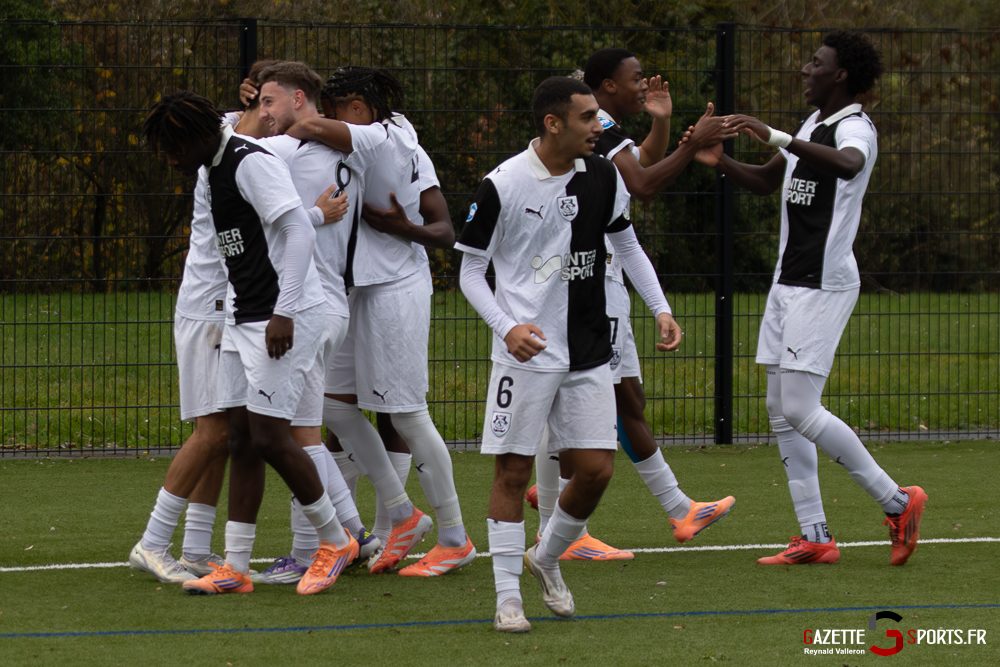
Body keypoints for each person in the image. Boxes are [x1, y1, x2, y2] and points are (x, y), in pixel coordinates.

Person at [693, 30, 926, 566]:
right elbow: (767, 182)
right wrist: (721, 162)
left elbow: (846, 165)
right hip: (787, 282)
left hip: (823, 284)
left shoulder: (855, 129)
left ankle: (898, 502)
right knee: (780, 409)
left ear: (840, 74)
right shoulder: (812, 125)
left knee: (799, 407)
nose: (805, 68)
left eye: (815, 62)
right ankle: (815, 536)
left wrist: (772, 133)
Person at [457, 76, 678, 633]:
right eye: (587, 117)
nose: (599, 126)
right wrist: (506, 328)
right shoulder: (502, 184)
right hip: (525, 355)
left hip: (588, 347)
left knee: (597, 470)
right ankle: (508, 598)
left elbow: (626, 244)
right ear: (553, 123)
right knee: (512, 472)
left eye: (599, 116)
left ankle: (547, 556)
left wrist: (661, 308)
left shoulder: (603, 174)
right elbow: (469, 273)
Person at [128, 60, 345, 584]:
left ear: (198, 136)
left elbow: (298, 231)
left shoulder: (250, 161)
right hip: (241, 316)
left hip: (279, 317)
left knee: (272, 438)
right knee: (242, 437)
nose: (170, 161)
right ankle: (236, 566)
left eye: (172, 150)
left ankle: (336, 540)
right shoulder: (214, 165)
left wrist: (284, 312)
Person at [527, 51, 738, 559]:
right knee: (612, 405)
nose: (644, 83)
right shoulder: (597, 130)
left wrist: (665, 126)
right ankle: (647, 512)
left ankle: (563, 507)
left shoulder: (599, 137)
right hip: (589, 294)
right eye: (635, 78)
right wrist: (692, 144)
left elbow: (636, 175)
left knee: (606, 404)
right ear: (607, 87)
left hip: (587, 288)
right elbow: (643, 183)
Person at [284, 67, 474, 576]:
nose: (328, 115)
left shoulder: (380, 137)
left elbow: (443, 227)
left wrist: (400, 226)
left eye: (336, 106)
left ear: (362, 108)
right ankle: (401, 514)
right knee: (334, 407)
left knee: (407, 414)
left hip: (395, 289)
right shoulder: (397, 134)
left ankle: (454, 535)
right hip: (355, 290)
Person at [234, 61, 386, 584]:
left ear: (299, 100)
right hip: (328, 304)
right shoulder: (350, 147)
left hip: (302, 308)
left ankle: (311, 550)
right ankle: (359, 532)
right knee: (305, 434)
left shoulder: (286, 152)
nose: (265, 114)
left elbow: (227, 143)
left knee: (281, 436)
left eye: (270, 102)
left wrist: (244, 112)